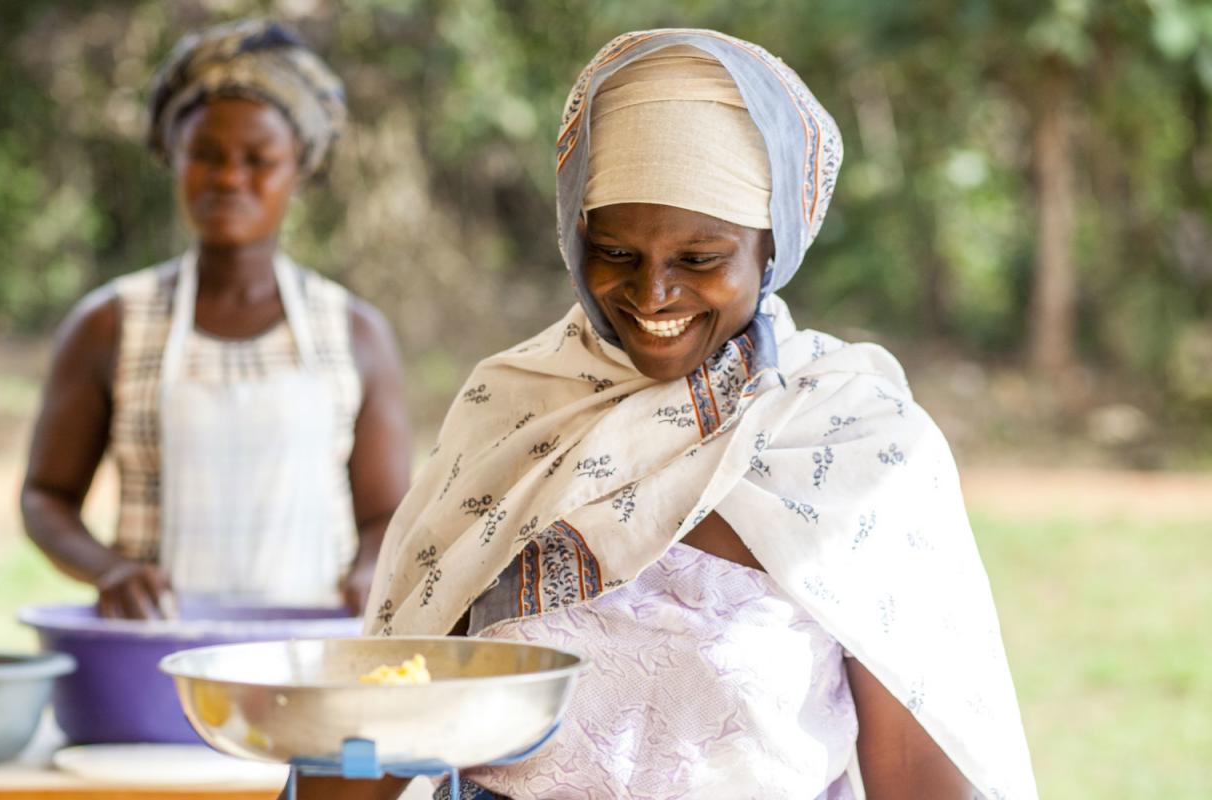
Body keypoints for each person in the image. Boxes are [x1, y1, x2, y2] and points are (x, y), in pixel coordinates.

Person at [300, 29, 1036, 799]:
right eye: (616, 252)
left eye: (700, 259)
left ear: (771, 245)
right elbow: (395, 704)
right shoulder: (513, 413)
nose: (653, 296)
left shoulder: (856, 443)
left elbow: (917, 776)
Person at [21, 19, 410, 618]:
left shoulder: (353, 331)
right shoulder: (111, 324)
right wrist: (112, 570)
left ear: (300, 168)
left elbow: (385, 513)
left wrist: (366, 572)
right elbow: (46, 497)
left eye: (259, 159)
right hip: (157, 647)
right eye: (206, 154)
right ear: (171, 157)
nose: (229, 177)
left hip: (311, 650)